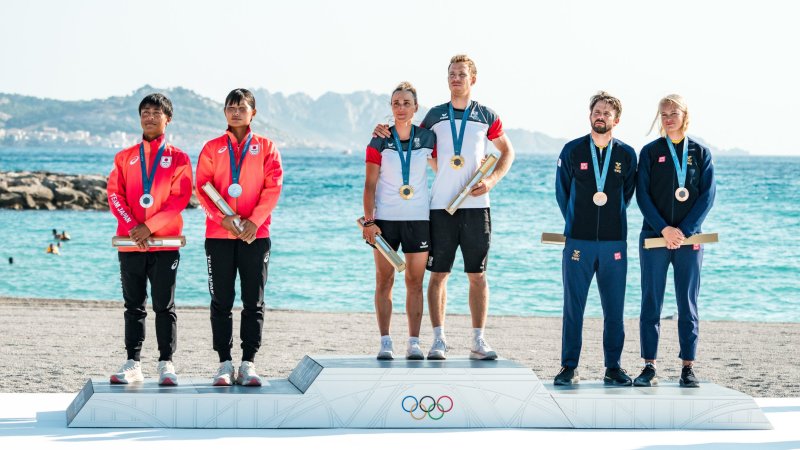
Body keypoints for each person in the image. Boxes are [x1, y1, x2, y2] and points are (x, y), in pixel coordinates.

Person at [375, 54, 515, 360]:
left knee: (477, 275)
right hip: (439, 207)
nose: (456, 78)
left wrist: (490, 181)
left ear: (472, 79)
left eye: (462, 74)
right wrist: (382, 130)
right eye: (452, 73)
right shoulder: (435, 116)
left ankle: (478, 341)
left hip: (477, 207)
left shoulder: (486, 115)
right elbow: (409, 136)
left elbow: (507, 152)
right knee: (438, 274)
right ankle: (439, 340)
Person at [195, 88, 283, 386]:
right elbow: (202, 187)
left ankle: (248, 363)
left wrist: (254, 222)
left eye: (241, 107)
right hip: (218, 235)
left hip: (255, 236)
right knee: (221, 301)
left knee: (253, 301)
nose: (235, 112)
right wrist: (221, 218)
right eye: (230, 107)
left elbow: (273, 187)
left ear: (252, 112)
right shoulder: (212, 148)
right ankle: (224, 363)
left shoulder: (267, 147)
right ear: (224, 112)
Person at [106, 93, 193, 385]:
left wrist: (150, 226)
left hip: (165, 244)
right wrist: (134, 227)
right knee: (133, 305)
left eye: (156, 112)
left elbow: (179, 199)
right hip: (131, 243)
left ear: (168, 119)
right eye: (145, 112)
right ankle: (133, 363)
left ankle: (166, 363)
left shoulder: (179, 158)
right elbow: (114, 195)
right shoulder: (125, 157)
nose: (150, 117)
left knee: (164, 306)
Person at [553, 92, 637, 386]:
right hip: (578, 241)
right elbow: (562, 193)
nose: (600, 116)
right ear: (590, 115)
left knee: (614, 309)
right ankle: (568, 367)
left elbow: (627, 195)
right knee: (573, 308)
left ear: (617, 120)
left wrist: (610, 217)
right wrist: (578, 220)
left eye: (606, 113)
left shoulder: (627, 154)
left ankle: (613, 367)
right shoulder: (572, 150)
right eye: (597, 111)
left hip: (614, 242)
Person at [634, 94, 716, 388]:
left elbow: (707, 196)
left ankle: (687, 367)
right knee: (651, 302)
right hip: (654, 238)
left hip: (689, 240)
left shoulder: (700, 152)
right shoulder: (650, 152)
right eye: (664, 114)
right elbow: (642, 195)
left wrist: (683, 230)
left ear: (685, 115)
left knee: (688, 304)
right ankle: (649, 365)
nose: (668, 119)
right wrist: (663, 229)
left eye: (674, 113)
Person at [363, 82, 437, 360]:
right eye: (396, 103)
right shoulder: (379, 140)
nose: (401, 108)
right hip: (385, 221)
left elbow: (445, 169)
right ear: (391, 107)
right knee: (384, 281)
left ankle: (414, 342)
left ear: (416, 107)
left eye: (407, 103)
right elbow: (370, 184)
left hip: (418, 220)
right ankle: (385, 342)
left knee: (415, 282)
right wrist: (369, 221)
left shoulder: (428, 138)